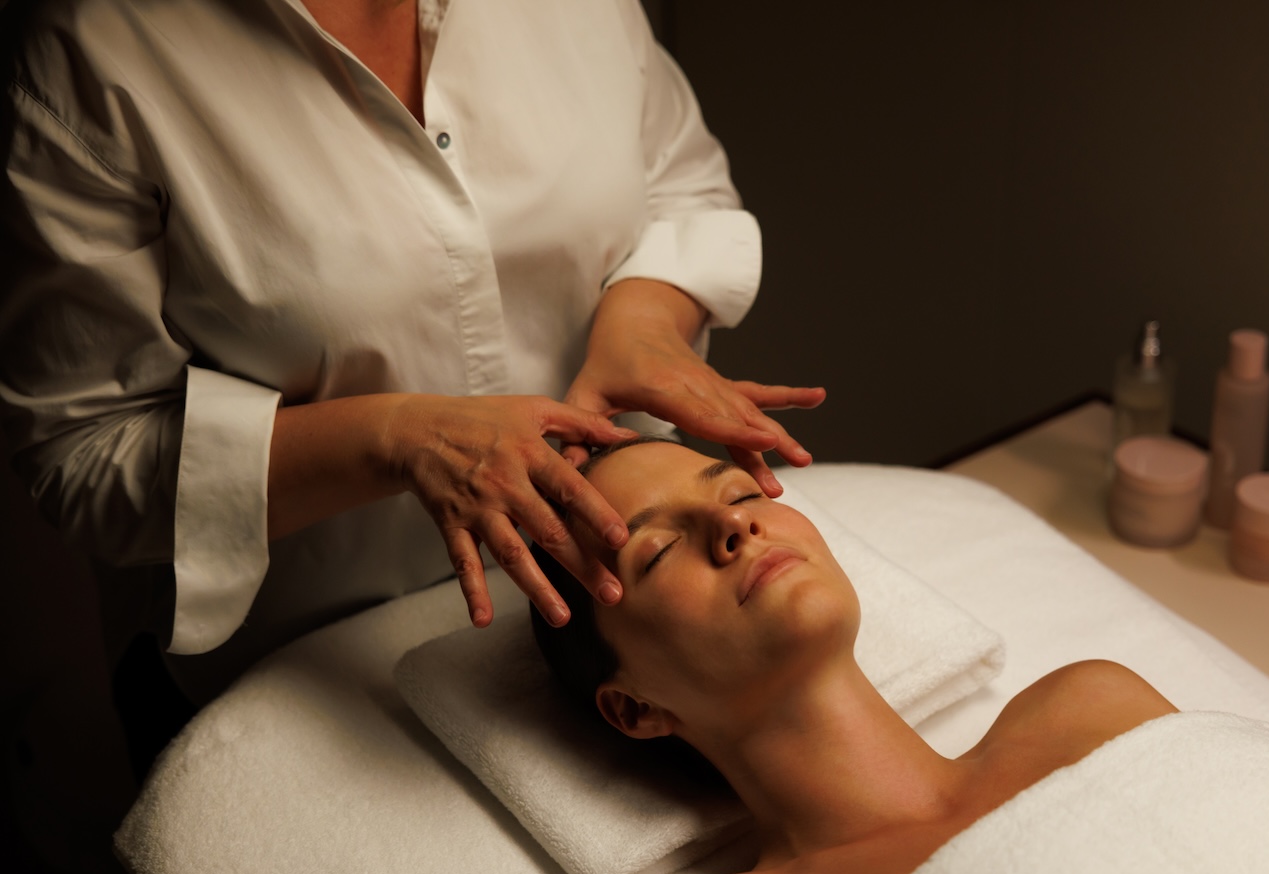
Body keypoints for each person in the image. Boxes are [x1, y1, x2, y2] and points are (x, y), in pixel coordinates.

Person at [0, 0, 823, 764]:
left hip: (646, 636)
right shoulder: (88, 57)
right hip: (324, 686)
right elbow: (86, 452)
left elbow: (682, 179)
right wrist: (397, 439)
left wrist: (646, 316)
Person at [530, 438, 1179, 874]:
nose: (731, 524)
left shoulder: (1093, 714)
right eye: (661, 549)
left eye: (741, 493)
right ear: (636, 707)